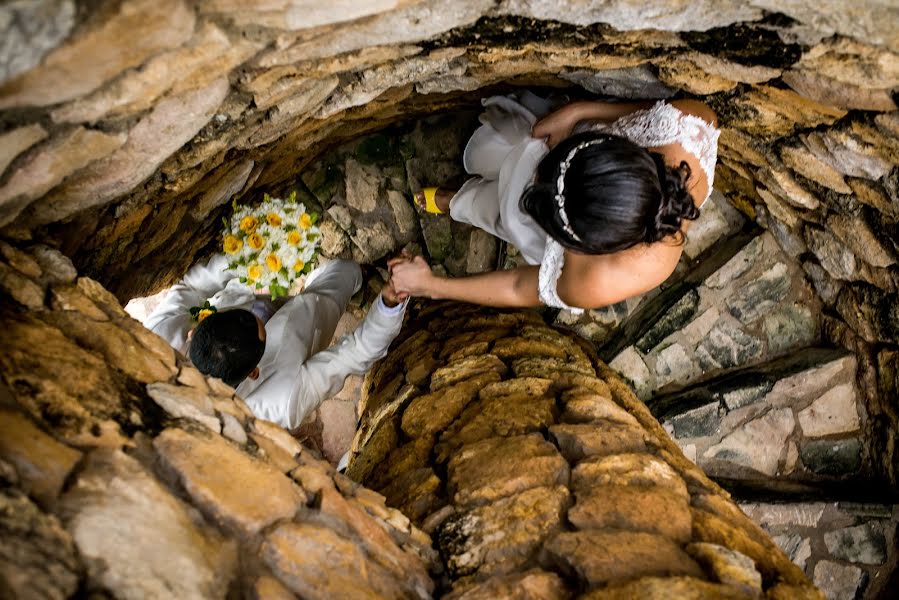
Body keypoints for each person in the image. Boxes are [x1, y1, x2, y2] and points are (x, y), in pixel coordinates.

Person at [390, 92, 719, 313]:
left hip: (556, 230)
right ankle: (472, 193)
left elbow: (522, 286)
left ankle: (459, 203)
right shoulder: (687, 128)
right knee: (511, 159)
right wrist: (576, 112)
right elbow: (642, 114)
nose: (535, 183)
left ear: (589, 244)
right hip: (578, 166)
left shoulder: (601, 279)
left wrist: (433, 286)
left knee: (502, 214)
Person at [145, 254, 408, 430]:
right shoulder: (281, 402)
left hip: (250, 285)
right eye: (261, 329)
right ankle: (353, 276)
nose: (255, 314)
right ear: (254, 372)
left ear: (193, 333)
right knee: (341, 278)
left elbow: (190, 289)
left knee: (343, 269)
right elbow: (354, 354)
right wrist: (388, 307)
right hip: (308, 320)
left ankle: (351, 273)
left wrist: (243, 259)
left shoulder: (158, 334)